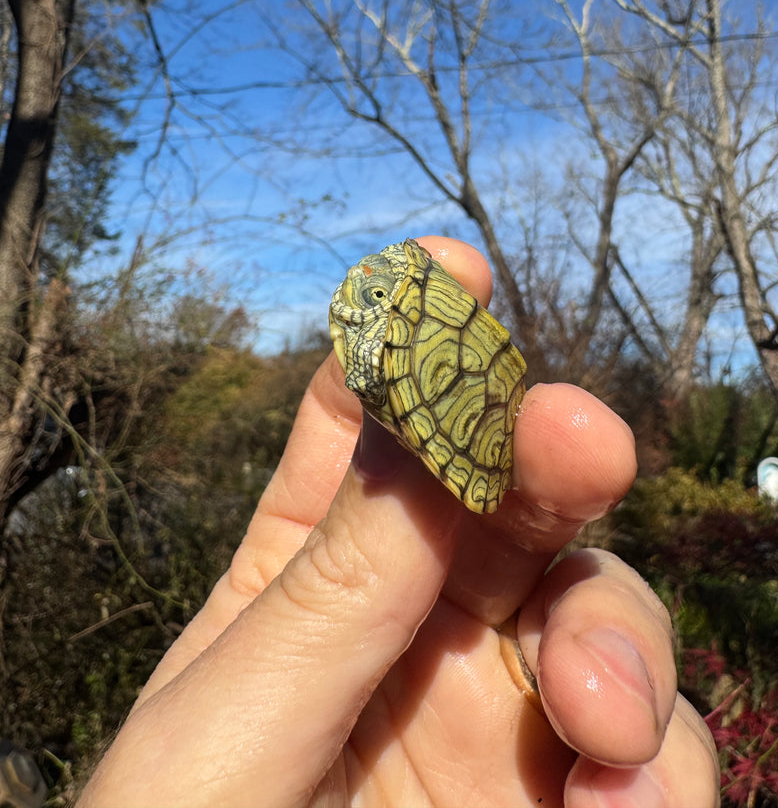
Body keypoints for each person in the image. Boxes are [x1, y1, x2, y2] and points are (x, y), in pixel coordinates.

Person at [79, 237, 720, 807]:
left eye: (373, 290)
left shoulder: (395, 318)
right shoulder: (385, 324)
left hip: (471, 405)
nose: (354, 291)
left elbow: (384, 348)